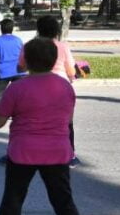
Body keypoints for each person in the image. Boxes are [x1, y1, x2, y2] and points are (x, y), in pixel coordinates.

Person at [0, 38, 89, 215]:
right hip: (58, 153)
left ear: (26, 61)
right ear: (54, 60)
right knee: (63, 202)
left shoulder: (17, 89)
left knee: (13, 199)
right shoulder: (65, 87)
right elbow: (67, 120)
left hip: (23, 153)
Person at [17, 15, 80, 168]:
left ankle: (20, 152)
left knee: (28, 119)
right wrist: (74, 76)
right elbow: (71, 71)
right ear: (56, 30)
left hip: (34, 86)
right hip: (60, 87)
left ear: (38, 29)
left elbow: (20, 67)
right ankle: (70, 155)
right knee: (66, 122)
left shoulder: (29, 46)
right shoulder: (63, 46)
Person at [0, 19, 25, 113]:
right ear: (12, 29)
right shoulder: (18, 40)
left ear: (1, 29)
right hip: (18, 71)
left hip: (3, 72)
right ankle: (19, 112)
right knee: (19, 93)